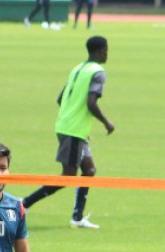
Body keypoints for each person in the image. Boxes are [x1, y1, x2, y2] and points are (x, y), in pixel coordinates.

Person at [22, 36, 113, 230]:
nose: (107, 54)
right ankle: (24, 204)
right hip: (72, 130)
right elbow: (91, 103)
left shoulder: (78, 69)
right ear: (101, 51)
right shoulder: (98, 72)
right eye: (106, 50)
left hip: (70, 128)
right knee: (68, 175)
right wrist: (107, 123)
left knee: (89, 170)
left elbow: (60, 98)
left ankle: (77, 217)